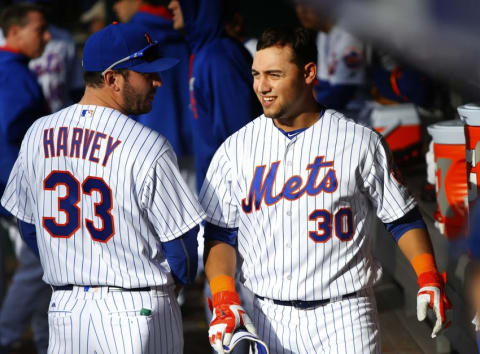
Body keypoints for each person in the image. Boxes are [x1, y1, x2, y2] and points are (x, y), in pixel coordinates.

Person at [199, 27, 451, 353]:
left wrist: (428, 275)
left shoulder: (359, 142)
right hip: (267, 314)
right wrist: (223, 294)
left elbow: (402, 218)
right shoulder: (235, 150)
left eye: (274, 74)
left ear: (308, 73)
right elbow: (220, 236)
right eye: (256, 75)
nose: (262, 86)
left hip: (345, 314)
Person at [1, 22, 205, 354]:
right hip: (137, 312)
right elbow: (181, 245)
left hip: (66, 310)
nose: (158, 81)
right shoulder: (146, 145)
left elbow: (27, 225)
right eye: (146, 73)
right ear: (112, 79)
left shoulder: (38, 133)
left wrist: (64, 262)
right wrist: (170, 286)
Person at [168, 0, 261, 193]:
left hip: (232, 201)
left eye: (181, 1)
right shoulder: (204, 53)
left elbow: (239, 140)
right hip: (216, 197)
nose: (171, 5)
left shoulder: (220, 56)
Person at [0, 3, 51, 352]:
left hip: (9, 186)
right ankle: (5, 336)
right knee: (37, 265)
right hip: (13, 187)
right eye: (39, 29)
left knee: (38, 270)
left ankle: (49, 340)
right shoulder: (14, 75)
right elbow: (7, 137)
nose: (46, 36)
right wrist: (18, 194)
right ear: (14, 31)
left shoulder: (12, 70)